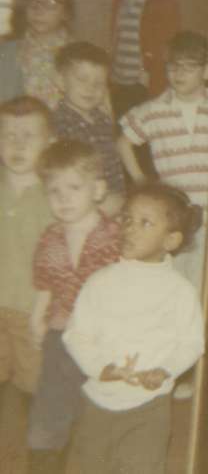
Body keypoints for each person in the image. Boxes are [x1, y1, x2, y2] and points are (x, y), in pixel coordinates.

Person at [63, 183, 205, 474]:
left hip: (149, 406)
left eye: (145, 222)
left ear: (171, 240)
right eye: (127, 218)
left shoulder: (180, 291)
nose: (130, 228)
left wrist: (166, 369)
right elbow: (76, 334)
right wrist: (101, 367)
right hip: (98, 401)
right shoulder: (100, 281)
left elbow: (191, 343)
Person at [27, 140, 120, 473]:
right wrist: (38, 317)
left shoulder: (115, 236)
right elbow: (44, 281)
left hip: (103, 337)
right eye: (54, 191)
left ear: (97, 190)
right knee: (50, 408)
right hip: (61, 333)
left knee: (100, 410)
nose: (63, 198)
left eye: (74, 188)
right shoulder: (50, 238)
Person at [117, 31, 208, 292]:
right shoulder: (154, 110)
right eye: (173, 66)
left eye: (188, 67)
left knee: (202, 278)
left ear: (207, 72)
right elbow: (124, 142)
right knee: (172, 277)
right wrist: (140, 179)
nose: (178, 73)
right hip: (175, 211)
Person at [0, 98, 54, 404]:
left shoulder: (55, 195)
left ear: (49, 142)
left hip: (33, 311)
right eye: (8, 135)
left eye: (29, 136)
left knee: (33, 387)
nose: (17, 145)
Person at [109, 0, 180, 119]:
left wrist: (150, 73)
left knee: (143, 129)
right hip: (119, 78)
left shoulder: (163, 1)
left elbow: (167, 45)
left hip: (144, 82)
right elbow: (115, 38)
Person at [53, 42, 125, 215]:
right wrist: (100, 200)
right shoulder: (60, 122)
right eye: (82, 79)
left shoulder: (103, 119)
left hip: (115, 200)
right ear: (61, 81)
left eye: (99, 83)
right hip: (85, 205)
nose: (90, 88)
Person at [0, 0, 74, 108]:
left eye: (51, 3)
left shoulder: (77, 53)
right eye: (32, 1)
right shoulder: (8, 51)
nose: (39, 9)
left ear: (66, 12)